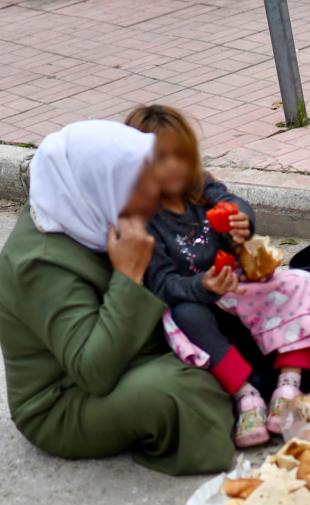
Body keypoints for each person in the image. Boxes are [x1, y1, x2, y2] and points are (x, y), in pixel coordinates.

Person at [0, 120, 237, 475]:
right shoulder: (38, 262)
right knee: (178, 389)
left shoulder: (87, 212)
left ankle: (252, 388)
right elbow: (92, 372)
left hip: (125, 347)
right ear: (97, 188)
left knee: (239, 313)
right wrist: (128, 276)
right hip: (66, 399)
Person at [125, 105, 310, 449]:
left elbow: (233, 202)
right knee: (186, 313)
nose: (173, 166)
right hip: (198, 296)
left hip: (238, 283)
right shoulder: (146, 221)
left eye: (181, 156)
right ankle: (246, 396)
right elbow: (162, 283)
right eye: (161, 158)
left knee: (300, 282)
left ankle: (288, 384)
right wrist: (201, 286)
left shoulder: (202, 189)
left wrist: (242, 221)